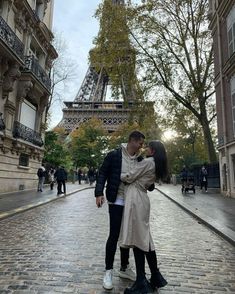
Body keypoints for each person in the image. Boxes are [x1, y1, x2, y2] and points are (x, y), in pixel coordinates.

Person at [95, 131, 147, 290]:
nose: (141, 146)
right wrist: (98, 193)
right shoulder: (114, 155)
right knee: (114, 235)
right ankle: (108, 271)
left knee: (128, 235)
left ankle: (124, 268)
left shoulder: (140, 159)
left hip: (133, 203)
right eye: (140, 143)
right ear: (132, 141)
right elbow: (102, 172)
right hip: (116, 200)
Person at [119, 140, 168, 293]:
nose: (145, 148)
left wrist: (118, 175)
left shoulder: (147, 162)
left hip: (135, 199)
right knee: (145, 239)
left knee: (137, 239)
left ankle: (141, 281)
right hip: (143, 198)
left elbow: (129, 176)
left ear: (152, 150)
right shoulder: (156, 164)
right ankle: (155, 276)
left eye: (147, 147)